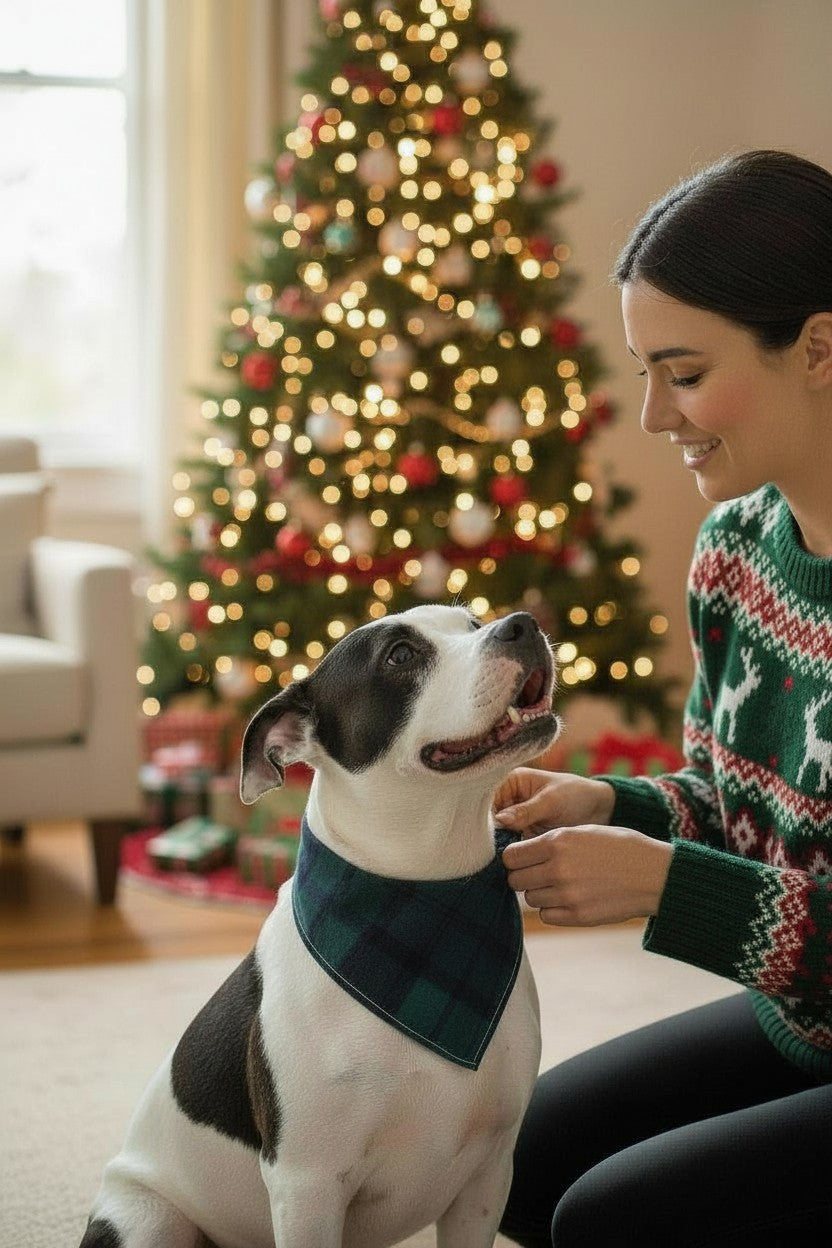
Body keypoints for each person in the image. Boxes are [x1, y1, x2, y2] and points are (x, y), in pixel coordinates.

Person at [494, 149, 832, 1247]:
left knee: (611, 1222)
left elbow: (721, 873)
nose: (649, 416)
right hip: (806, 1023)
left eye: (682, 373)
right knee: (511, 1162)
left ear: (819, 347)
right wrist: (608, 809)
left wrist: (669, 888)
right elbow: (740, 807)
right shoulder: (737, 548)